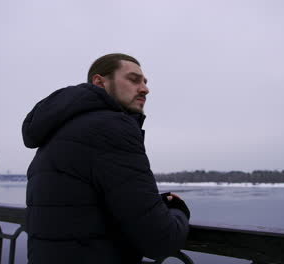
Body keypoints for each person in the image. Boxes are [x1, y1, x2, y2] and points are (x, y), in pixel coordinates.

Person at [22, 53, 191, 264]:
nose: (145, 89)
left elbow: (82, 206)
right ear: (99, 82)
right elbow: (160, 240)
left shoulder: (59, 131)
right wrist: (177, 210)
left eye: (145, 82)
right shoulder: (112, 128)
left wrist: (152, 206)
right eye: (133, 79)